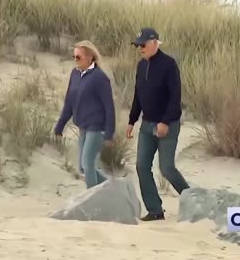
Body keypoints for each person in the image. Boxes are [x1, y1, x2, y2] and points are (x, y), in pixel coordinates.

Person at [126, 28, 190, 221]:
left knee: (167, 168)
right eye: (138, 45)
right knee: (142, 166)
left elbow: (175, 96)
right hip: (147, 125)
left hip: (167, 125)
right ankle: (155, 210)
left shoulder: (168, 64)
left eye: (143, 45)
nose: (140, 48)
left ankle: (194, 199)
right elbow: (138, 96)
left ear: (155, 43)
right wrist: (131, 120)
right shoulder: (140, 66)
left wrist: (164, 121)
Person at [54, 40, 116, 189]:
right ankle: (111, 188)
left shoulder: (99, 78)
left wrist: (109, 134)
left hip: (96, 127)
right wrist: (60, 126)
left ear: (89, 57)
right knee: (83, 166)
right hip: (83, 126)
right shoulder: (75, 74)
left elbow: (109, 106)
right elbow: (69, 102)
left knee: (88, 162)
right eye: (74, 57)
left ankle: (92, 200)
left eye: (78, 57)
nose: (75, 60)